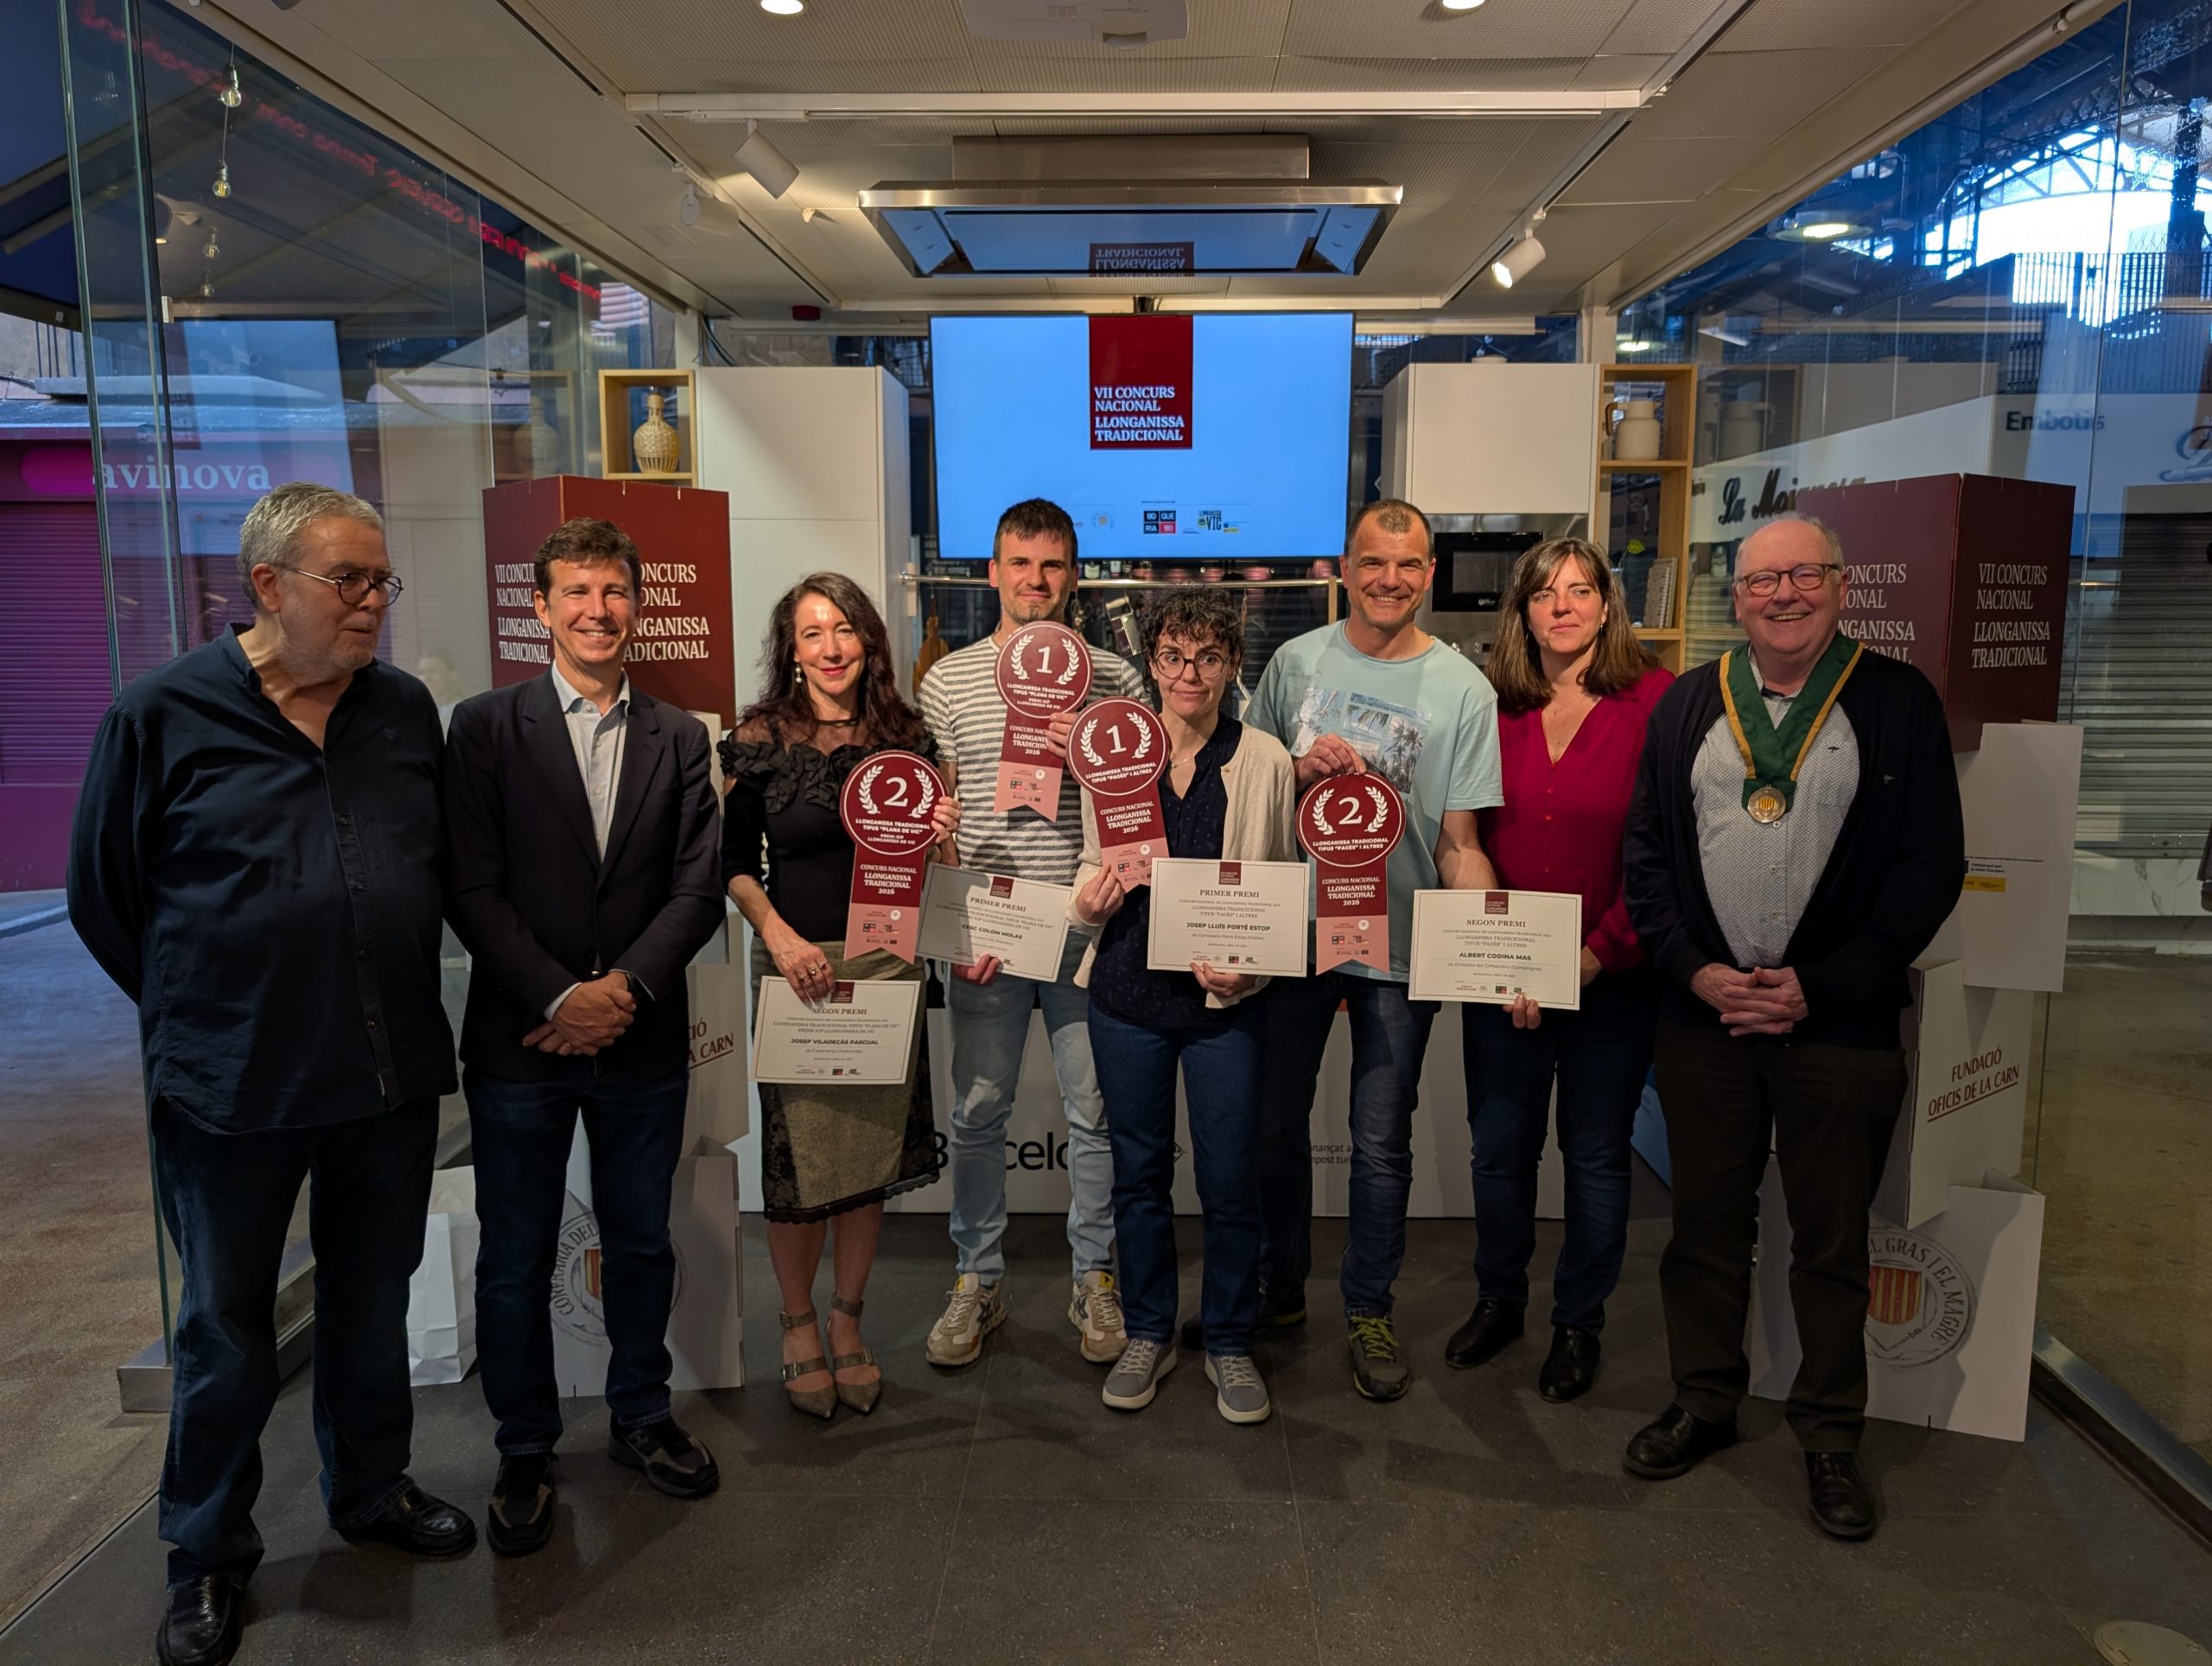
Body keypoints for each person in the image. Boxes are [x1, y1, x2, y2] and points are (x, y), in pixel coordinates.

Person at [67, 482, 472, 1666]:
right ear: (266, 586)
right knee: (226, 1329)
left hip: (385, 1072)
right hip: (232, 1086)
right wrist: (209, 1002)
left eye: (382, 581)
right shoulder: (159, 715)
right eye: (349, 580)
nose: (373, 603)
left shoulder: (401, 709)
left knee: (371, 1302)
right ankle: (205, 1553)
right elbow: (105, 898)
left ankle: (371, 1490)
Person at [1620, 513, 1963, 1542]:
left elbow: (1927, 870)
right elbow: (1646, 855)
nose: (1782, 594)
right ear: (1736, 596)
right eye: (1762, 580)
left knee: (1831, 1238)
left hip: (1837, 1027)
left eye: (1802, 575)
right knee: (1704, 1227)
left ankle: (1828, 1431)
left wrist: (1820, 984)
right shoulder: (1689, 702)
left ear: (1840, 585)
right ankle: (1703, 1399)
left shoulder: (1897, 701)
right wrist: (1696, 970)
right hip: (1706, 1021)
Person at [442, 516, 725, 1558]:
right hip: (521, 1039)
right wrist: (562, 996)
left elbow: (697, 888)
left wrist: (622, 991)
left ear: (638, 605)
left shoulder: (680, 735)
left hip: (641, 1039)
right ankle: (524, 1445)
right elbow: (469, 884)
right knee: (514, 1255)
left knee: (640, 1239)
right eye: (576, 591)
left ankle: (641, 1413)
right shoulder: (483, 726)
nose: (597, 610)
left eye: (613, 591)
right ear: (540, 608)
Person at [1225, 498, 1505, 1402]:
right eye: (1373, 561)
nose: (1390, 578)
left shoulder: (1464, 689)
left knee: (1382, 1143)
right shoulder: (1294, 663)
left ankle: (1368, 1309)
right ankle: (1278, 1288)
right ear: (1345, 568)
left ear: (1429, 574)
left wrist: (1496, 951)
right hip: (1293, 939)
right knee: (1273, 1128)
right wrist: (1295, 771)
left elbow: (1460, 843)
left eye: (1409, 563)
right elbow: (1251, 795)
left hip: (1402, 947)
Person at [917, 499, 1149, 1370]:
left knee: (1096, 1113)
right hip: (990, 928)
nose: (1036, 580)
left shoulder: (1115, 680)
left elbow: (1136, 814)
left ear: (1074, 575)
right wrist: (952, 924)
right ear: (993, 572)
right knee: (978, 1113)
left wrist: (1088, 751)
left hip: (1091, 927)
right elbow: (939, 822)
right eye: (1020, 562)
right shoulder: (948, 680)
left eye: (1052, 564)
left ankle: (1095, 1276)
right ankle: (977, 1277)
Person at [722, 573, 957, 1418]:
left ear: (868, 641)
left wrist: (944, 840)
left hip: (885, 967)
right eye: (813, 632)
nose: (831, 648)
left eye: (845, 629)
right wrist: (780, 939)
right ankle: (795, 1323)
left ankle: (848, 1319)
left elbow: (935, 877)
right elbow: (731, 865)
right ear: (792, 648)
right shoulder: (758, 739)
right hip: (796, 970)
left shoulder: (909, 737)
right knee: (798, 1165)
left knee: (865, 1163)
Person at [1445, 537, 1673, 1402]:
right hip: (1504, 978)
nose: (1563, 607)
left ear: (1608, 605)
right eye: (1544, 594)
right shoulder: (1491, 703)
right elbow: (1463, 832)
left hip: (1613, 974)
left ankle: (1579, 1322)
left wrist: (1590, 956)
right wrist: (1504, 957)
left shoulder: (1656, 701)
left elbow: (1669, 854)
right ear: (1523, 612)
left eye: (1580, 591)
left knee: (1597, 1156)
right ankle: (1499, 1299)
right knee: (1500, 1150)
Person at [1066, 588, 1296, 1424]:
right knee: (1139, 1178)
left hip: (1224, 1010)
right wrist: (1084, 904)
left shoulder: (1265, 759)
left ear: (1232, 665)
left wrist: (1252, 971)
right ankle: (1148, 1330)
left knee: (1231, 1181)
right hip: (1126, 997)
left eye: (1207, 657)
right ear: (1152, 663)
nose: (1188, 673)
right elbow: (1092, 859)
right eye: (1172, 656)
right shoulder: (1116, 746)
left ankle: (1229, 1339)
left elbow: (1279, 891)